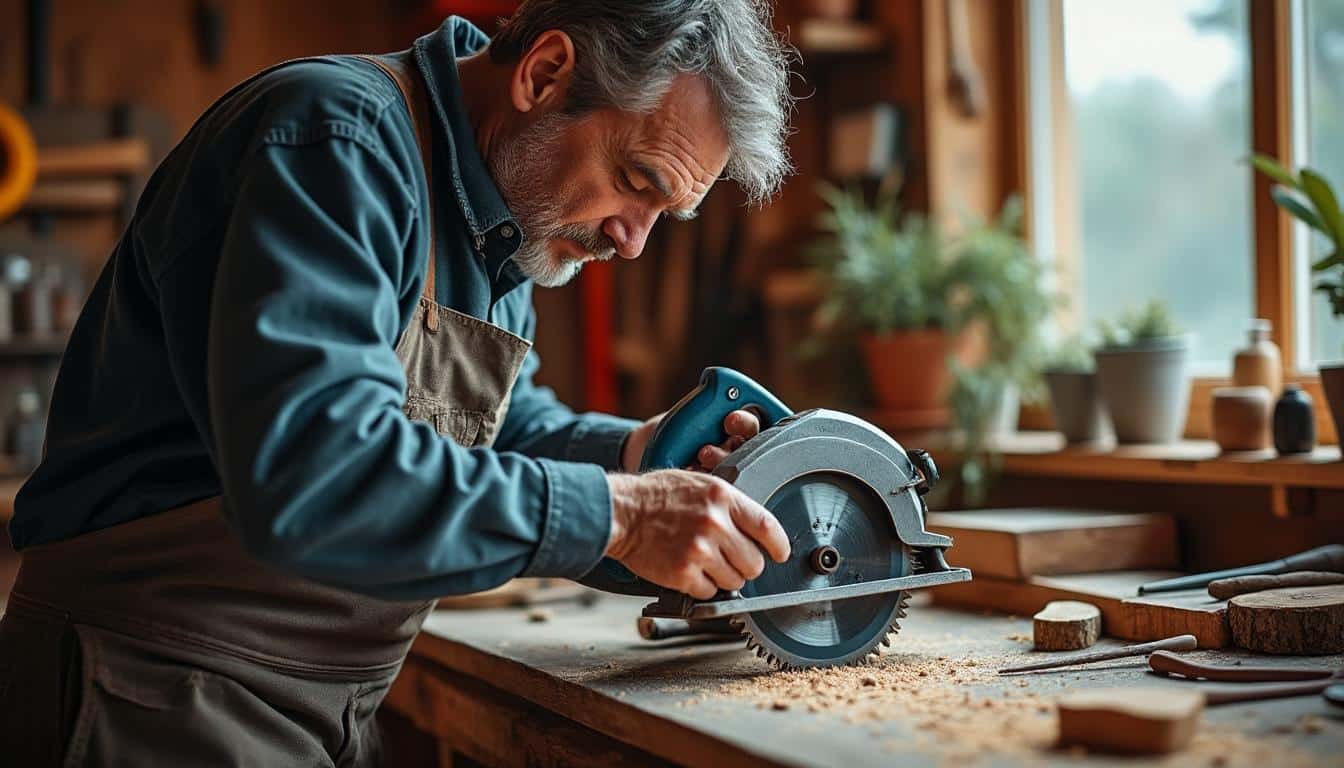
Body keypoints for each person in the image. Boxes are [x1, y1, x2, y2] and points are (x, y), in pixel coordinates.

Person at [0, 1, 797, 765]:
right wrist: (619, 515)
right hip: (151, 685)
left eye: (666, 214)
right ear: (547, 73)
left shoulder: (502, 208)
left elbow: (492, 428)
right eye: (636, 179)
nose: (632, 244)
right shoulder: (337, 141)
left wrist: (642, 455)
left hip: (308, 701)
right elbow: (318, 473)